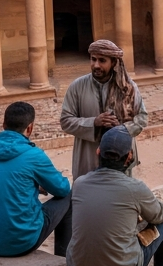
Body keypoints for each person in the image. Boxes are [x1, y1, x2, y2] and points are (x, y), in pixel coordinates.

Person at [66, 127, 163, 266]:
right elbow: (160, 216)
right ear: (129, 157)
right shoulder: (135, 188)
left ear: (98, 151)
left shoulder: (79, 183)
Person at [0, 101, 72, 257]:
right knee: (69, 197)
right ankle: (62, 258)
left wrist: (33, 186)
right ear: (30, 128)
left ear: (3, 125)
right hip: (21, 242)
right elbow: (62, 188)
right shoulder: (34, 155)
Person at [59, 39, 148, 179]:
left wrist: (121, 129)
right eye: (93, 59)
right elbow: (65, 121)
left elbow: (142, 118)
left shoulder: (128, 88)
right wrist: (94, 122)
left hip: (120, 158)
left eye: (102, 60)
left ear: (113, 63)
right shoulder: (76, 87)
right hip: (88, 158)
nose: (96, 65)